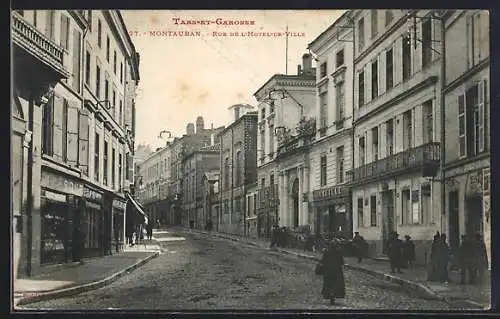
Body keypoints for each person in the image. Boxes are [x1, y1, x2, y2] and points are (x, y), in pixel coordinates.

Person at [321, 239, 346, 305]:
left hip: (328, 271)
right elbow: (341, 262)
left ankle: (327, 298)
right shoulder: (339, 252)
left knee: (328, 284)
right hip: (337, 271)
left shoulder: (326, 252)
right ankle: (337, 298)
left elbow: (323, 261)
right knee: (337, 285)